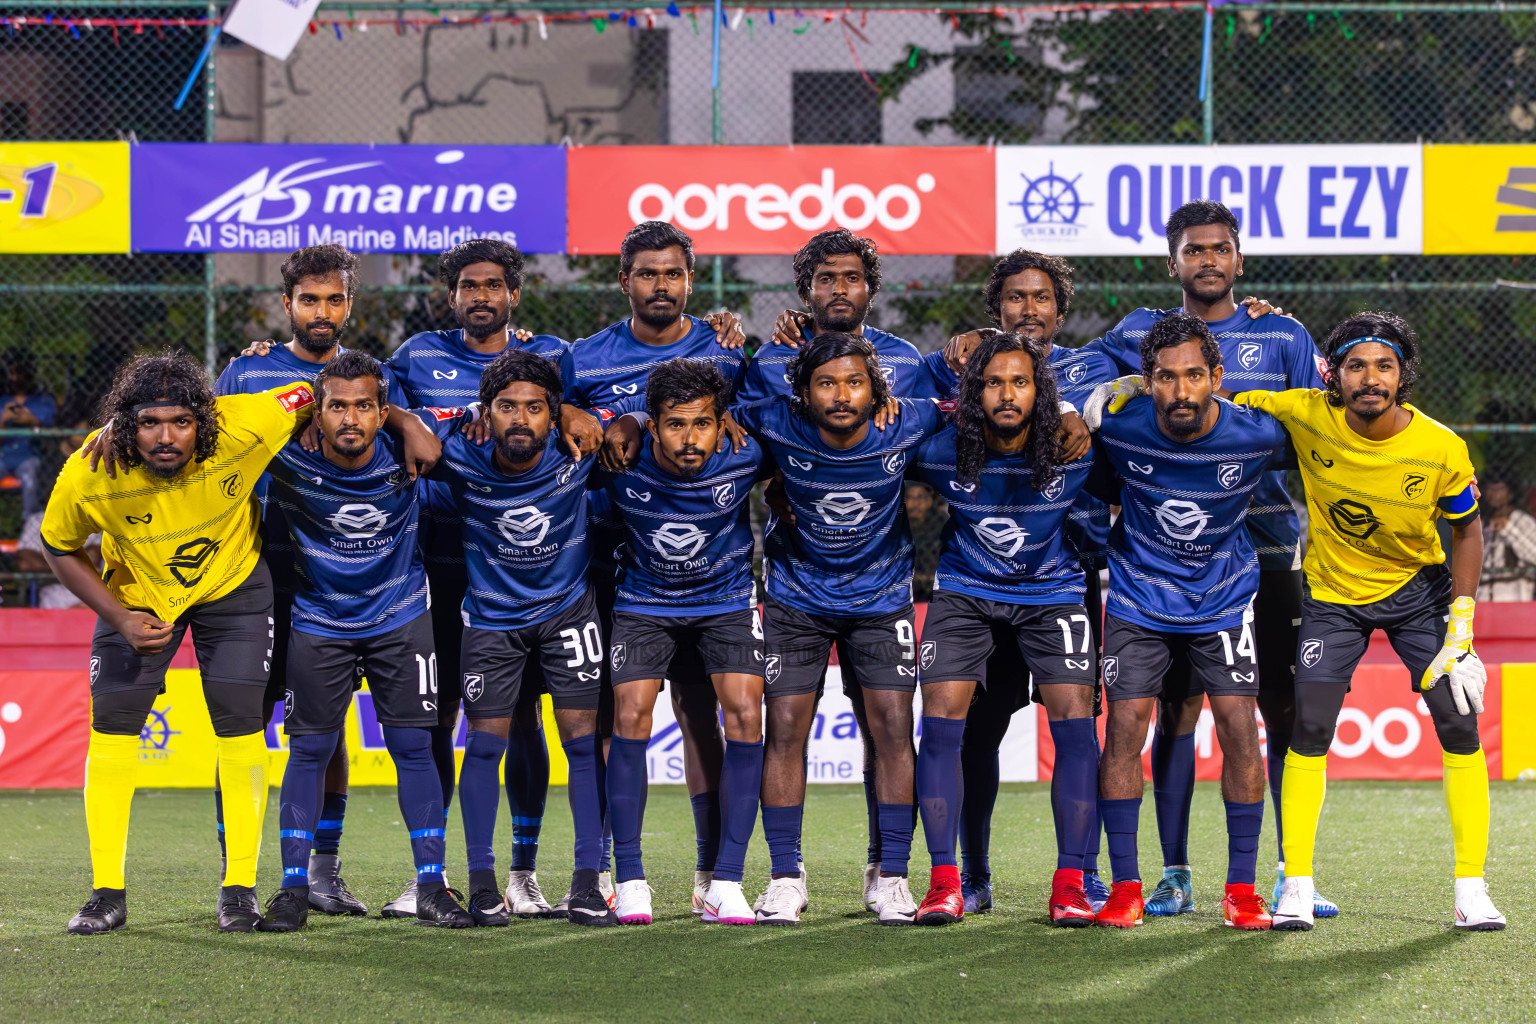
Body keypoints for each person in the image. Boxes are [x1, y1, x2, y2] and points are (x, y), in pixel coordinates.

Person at [40, 349, 434, 934]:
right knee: (112, 731)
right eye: (148, 423)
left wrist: (405, 422)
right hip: (139, 596)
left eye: (180, 421)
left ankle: (240, 890)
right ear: (126, 426)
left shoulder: (248, 420)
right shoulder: (90, 470)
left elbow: (328, 393)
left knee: (241, 727)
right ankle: (106, 892)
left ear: (206, 418)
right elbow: (57, 545)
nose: (166, 436)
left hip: (234, 589)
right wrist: (118, 617)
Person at [1084, 200, 1333, 919]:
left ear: (1239, 258)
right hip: (1161, 549)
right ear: (1174, 262)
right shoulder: (1141, 332)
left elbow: (1318, 422)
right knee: (1171, 712)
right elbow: (1079, 383)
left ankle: (1291, 873)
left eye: (1220, 249)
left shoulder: (1280, 331)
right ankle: (1174, 871)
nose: (1208, 261)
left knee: (1274, 712)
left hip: (1268, 543)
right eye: (1194, 251)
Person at [1231, 311, 1505, 932]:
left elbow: (1467, 529)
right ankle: (1295, 885)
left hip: (1420, 597)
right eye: (1356, 365)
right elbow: (1217, 396)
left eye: (1384, 365)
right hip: (1330, 596)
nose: (1371, 378)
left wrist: (1461, 624)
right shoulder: (1303, 412)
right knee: (1310, 726)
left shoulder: (1440, 447)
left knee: (1461, 726)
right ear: (1337, 375)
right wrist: (1140, 384)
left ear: (1402, 374)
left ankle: (1472, 888)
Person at [381, 237, 592, 920]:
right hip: (435, 564)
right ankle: (432, 872)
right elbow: (361, 397)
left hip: (523, 569)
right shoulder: (415, 357)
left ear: (514, 294)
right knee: (441, 718)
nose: (481, 296)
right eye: (468, 286)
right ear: (452, 295)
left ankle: (524, 872)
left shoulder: (553, 356)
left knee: (526, 718)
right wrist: (407, 418)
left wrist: (569, 411)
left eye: (493, 285)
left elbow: (584, 414)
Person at [564, 221, 751, 916]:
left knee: (702, 715)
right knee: (617, 719)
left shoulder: (726, 348)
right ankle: (613, 868)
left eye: (673, 273)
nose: (661, 285)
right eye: (647, 273)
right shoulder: (584, 357)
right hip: (610, 561)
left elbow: (756, 423)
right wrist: (597, 416)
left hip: (705, 564)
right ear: (625, 281)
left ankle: (712, 874)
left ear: (691, 278)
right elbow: (546, 404)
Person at [732, 332, 949, 926]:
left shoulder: (907, 422)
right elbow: (704, 411)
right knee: (784, 731)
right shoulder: (772, 421)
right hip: (794, 598)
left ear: (876, 389)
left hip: (880, 600)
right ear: (803, 391)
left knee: (892, 731)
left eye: (855, 382)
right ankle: (784, 877)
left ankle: (893, 877)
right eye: (826, 383)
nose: (842, 394)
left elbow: (973, 403)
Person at [924, 249, 1118, 915]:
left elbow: (1170, 361)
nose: (1028, 309)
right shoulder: (964, 368)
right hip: (978, 581)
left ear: (1060, 311)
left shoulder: (1099, 364)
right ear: (995, 308)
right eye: (1015, 298)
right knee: (981, 727)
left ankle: (1081, 875)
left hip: (1067, 575)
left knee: (1075, 724)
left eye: (1041, 299)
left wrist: (1074, 416)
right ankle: (970, 874)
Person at [1084, 314, 1289, 931]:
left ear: (1217, 378)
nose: (1180, 391)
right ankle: (1125, 887)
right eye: (1166, 378)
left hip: (1223, 599)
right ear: (1146, 382)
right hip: (1138, 600)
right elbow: (1078, 460)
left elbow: (1334, 440)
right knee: (1125, 725)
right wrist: (1082, 411)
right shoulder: (1118, 429)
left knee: (1238, 728)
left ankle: (1242, 890)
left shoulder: (1258, 435)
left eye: (1194, 375)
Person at [258, 351, 471, 931]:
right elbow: (209, 425)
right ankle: (293, 889)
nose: (349, 419)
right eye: (336, 407)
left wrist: (410, 424)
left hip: (400, 618)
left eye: (363, 407)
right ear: (315, 414)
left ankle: (432, 887)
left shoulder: (414, 451)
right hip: (319, 621)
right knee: (308, 751)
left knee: (415, 748)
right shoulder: (284, 456)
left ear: (382, 412)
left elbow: (490, 414)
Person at [421, 349, 615, 926]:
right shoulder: (460, 449)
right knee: (483, 747)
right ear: (488, 411)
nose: (520, 419)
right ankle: (482, 886)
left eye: (535, 408)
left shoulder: (577, 450)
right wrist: (439, 418)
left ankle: (587, 883)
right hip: (491, 619)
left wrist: (590, 418)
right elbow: (406, 424)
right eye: (507, 407)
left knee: (582, 745)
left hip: (568, 615)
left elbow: (631, 424)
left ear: (554, 415)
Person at [216, 244, 376, 917]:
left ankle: (322, 871)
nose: (322, 312)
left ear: (349, 304)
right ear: (286, 305)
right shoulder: (246, 374)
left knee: (326, 726)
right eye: (309, 300)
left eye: (334, 299)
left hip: (332, 573)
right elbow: (199, 446)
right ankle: (239, 878)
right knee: (245, 725)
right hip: (254, 568)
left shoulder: (368, 378)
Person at [593, 358, 772, 926]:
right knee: (630, 716)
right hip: (645, 602)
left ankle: (725, 882)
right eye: (675, 424)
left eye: (701, 423)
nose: (689, 439)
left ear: (722, 423)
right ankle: (630, 879)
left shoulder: (746, 451)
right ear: (652, 424)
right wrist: (617, 420)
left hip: (724, 602)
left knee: (745, 717)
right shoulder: (621, 456)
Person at [0, 348, 55, 519]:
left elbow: (49, 430)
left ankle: (29, 522)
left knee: (30, 478)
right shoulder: (3, 401)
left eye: (21, 372)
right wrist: (3, 420)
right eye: (13, 373)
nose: (17, 378)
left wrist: (31, 419)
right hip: (3, 455)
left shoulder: (43, 400)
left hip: (29, 455)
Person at [1477, 477, 1536, 602]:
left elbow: (1533, 555)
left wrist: (1509, 529)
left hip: (1515, 598)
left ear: (1510, 493)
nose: (1495, 494)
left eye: (1500, 489)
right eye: (1491, 489)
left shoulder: (1522, 520)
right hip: (1483, 597)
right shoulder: (1481, 523)